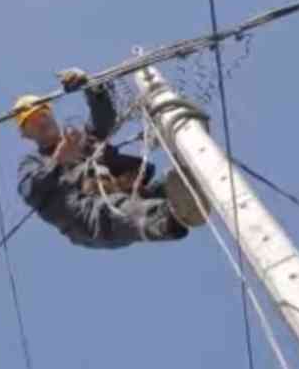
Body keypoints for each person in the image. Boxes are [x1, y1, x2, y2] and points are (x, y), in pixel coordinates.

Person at [14, 67, 210, 249]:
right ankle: (166, 219)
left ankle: (202, 184)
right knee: (117, 211)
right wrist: (59, 160)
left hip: (125, 193)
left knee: (173, 181)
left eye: (42, 114)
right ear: (25, 134)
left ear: (51, 115)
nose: (39, 121)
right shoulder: (32, 163)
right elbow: (31, 189)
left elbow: (104, 119)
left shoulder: (81, 141)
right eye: (30, 121)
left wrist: (91, 87)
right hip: (88, 216)